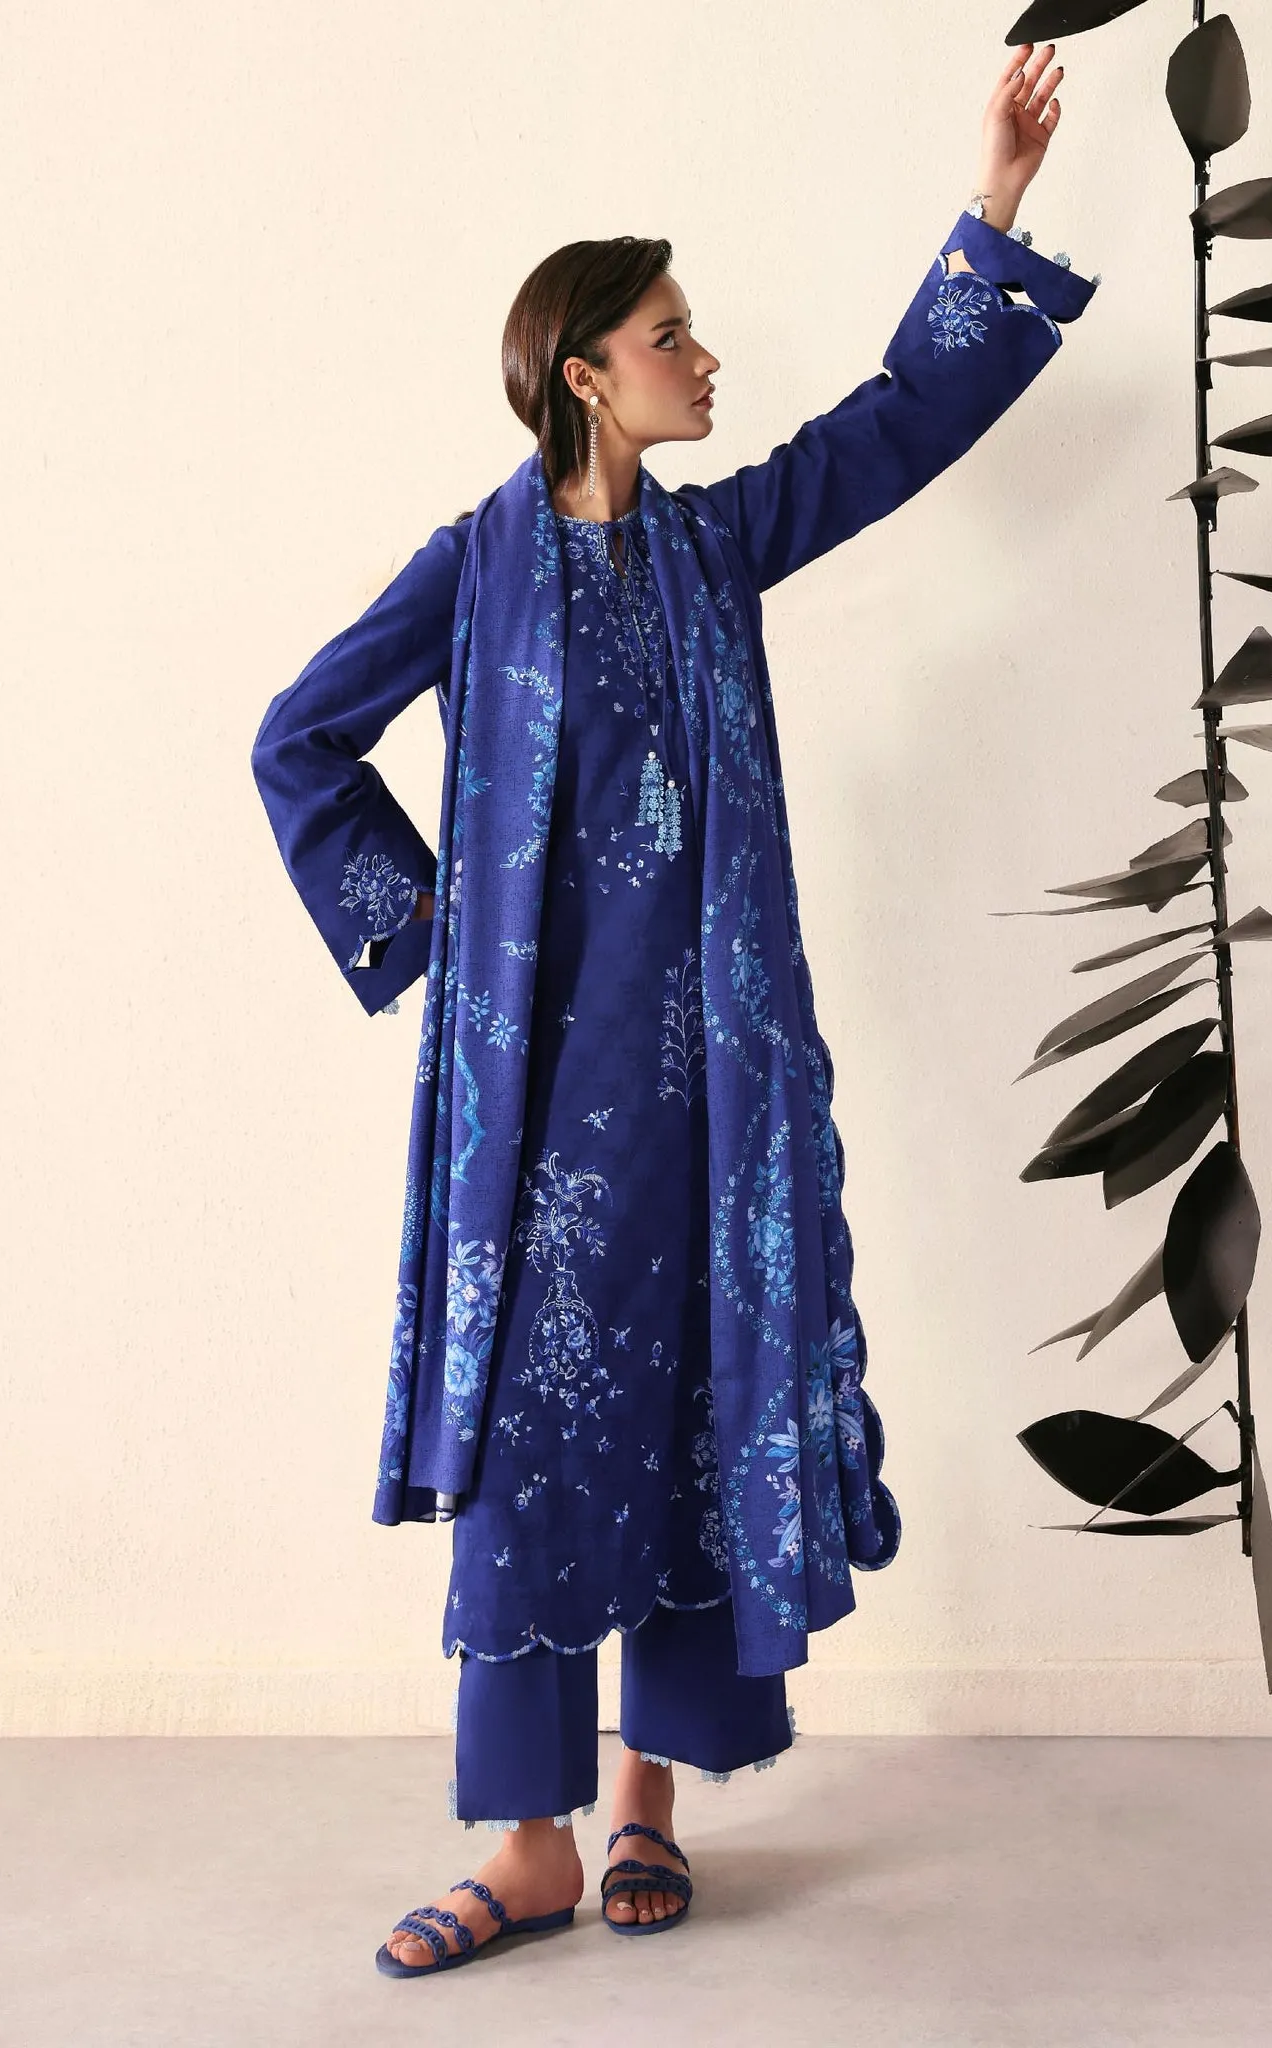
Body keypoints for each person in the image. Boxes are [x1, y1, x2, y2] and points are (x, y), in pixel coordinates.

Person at [250, 40, 1097, 1977]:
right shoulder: (475, 574)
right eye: (669, 337)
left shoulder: (717, 547)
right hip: (541, 1109)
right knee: (535, 1445)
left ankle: (649, 1806)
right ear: (582, 372)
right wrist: (432, 942)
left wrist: (995, 197)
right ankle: (530, 1843)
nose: (704, 362)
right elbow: (298, 738)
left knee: (696, 1420)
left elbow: (900, 424)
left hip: (714, 1085)